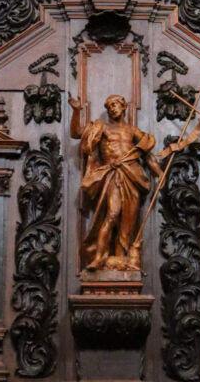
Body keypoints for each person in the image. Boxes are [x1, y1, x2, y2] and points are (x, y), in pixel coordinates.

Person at [69, 93, 163, 271]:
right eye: (109, 106)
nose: (112, 108)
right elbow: (76, 133)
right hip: (112, 175)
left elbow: (148, 156)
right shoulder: (102, 127)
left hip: (132, 176)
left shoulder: (133, 131)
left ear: (124, 106)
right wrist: (76, 111)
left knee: (128, 222)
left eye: (115, 104)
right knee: (112, 214)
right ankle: (98, 258)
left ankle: (123, 260)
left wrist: (159, 174)